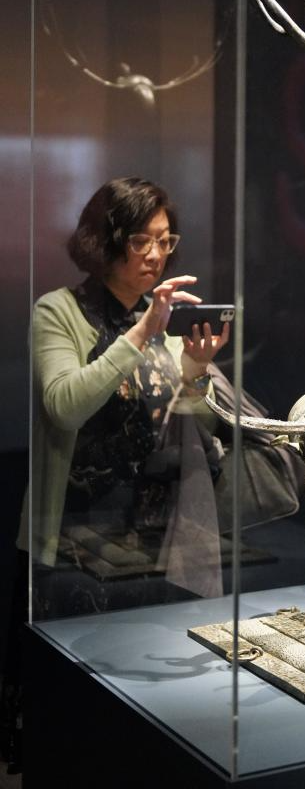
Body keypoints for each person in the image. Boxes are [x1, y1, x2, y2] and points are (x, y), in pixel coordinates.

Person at [18, 176, 232, 615]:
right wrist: (143, 330)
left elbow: (199, 427)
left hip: (158, 535)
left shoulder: (161, 317)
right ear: (105, 242)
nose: (155, 255)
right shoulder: (59, 310)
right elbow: (64, 408)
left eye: (164, 241)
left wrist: (196, 370)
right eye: (140, 241)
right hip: (76, 534)